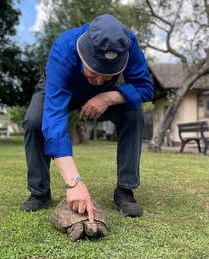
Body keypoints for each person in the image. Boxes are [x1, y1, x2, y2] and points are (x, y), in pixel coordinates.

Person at [20, 14, 153, 219]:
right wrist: (74, 182)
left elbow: (145, 88)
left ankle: (125, 190)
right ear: (83, 55)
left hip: (106, 95)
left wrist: (109, 97)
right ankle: (39, 191)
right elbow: (54, 121)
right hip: (60, 88)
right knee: (35, 120)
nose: (99, 80)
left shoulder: (128, 44)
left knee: (134, 113)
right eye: (94, 72)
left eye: (107, 74)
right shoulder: (63, 48)